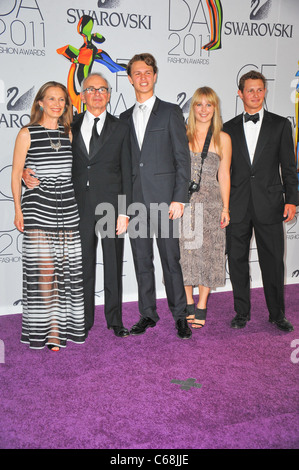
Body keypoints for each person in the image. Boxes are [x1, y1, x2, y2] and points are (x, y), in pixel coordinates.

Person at [23, 73, 132, 339]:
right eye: (91, 89)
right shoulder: (69, 126)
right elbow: (47, 156)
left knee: (113, 264)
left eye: (102, 89)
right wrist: (28, 172)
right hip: (76, 206)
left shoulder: (121, 127)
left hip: (110, 207)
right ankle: (83, 320)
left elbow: (128, 171)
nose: (97, 94)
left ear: (109, 94)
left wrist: (124, 210)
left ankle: (114, 320)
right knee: (81, 266)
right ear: (81, 96)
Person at [120, 53, 192, 339]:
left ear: (155, 75)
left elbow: (182, 159)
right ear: (130, 78)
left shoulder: (171, 111)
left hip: (165, 201)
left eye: (148, 72)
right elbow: (123, 166)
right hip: (135, 203)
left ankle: (180, 316)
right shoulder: (123, 118)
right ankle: (148, 314)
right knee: (141, 260)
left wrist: (179, 198)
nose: (143, 77)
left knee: (171, 261)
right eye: (137, 73)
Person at [11, 81, 85, 351]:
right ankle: (50, 329)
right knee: (45, 270)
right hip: (38, 207)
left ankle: (58, 328)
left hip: (66, 207)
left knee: (64, 271)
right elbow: (15, 171)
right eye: (51, 99)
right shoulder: (26, 133)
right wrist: (17, 209)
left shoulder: (69, 133)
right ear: (40, 102)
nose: (57, 104)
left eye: (61, 99)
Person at [223, 70, 298, 332]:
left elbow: (289, 167)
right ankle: (241, 312)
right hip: (237, 205)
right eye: (250, 90)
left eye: (259, 89)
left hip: (271, 204)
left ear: (265, 92)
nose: (255, 94)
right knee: (237, 260)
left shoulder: (280, 125)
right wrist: (223, 206)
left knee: (273, 261)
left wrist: (292, 200)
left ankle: (277, 314)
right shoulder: (228, 128)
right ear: (240, 93)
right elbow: (224, 171)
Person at [179, 87, 231, 329]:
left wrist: (226, 208)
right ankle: (188, 301)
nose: (203, 109)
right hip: (186, 204)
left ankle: (202, 304)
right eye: (199, 104)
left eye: (208, 105)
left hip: (211, 203)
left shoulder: (223, 138)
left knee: (209, 256)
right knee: (187, 254)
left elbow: (225, 175)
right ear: (193, 108)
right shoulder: (182, 135)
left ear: (215, 108)